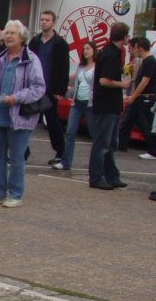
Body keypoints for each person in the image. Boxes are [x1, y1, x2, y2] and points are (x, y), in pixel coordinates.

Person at [0, 20, 46, 208]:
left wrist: (17, 98)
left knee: (17, 157)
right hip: (0, 114)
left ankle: (16, 194)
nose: (8, 36)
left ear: (22, 38)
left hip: (20, 116)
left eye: (13, 33)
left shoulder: (31, 60)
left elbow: (39, 88)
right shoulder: (0, 59)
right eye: (7, 32)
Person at [88, 21, 131, 191]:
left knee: (112, 143)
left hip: (112, 105)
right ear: (125, 37)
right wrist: (123, 84)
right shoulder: (111, 54)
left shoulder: (113, 52)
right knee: (102, 143)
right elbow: (104, 80)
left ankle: (112, 176)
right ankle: (96, 177)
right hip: (106, 105)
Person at [28, 10, 69, 166]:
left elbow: (64, 68)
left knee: (52, 122)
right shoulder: (34, 41)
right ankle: (23, 151)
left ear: (54, 22)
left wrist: (60, 90)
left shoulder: (60, 44)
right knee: (27, 120)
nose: (44, 22)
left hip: (50, 89)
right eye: (42, 19)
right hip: (34, 87)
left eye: (47, 20)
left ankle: (60, 152)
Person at [54, 40, 97, 172]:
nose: (85, 51)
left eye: (88, 48)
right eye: (84, 49)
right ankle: (66, 161)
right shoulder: (81, 66)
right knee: (70, 132)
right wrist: (62, 89)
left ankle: (96, 163)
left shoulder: (98, 67)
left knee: (95, 134)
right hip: (77, 102)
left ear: (94, 51)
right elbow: (73, 82)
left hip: (90, 104)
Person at [119, 37, 156, 158]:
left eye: (135, 48)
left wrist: (133, 96)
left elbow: (145, 81)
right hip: (139, 97)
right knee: (127, 121)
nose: (134, 50)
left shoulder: (150, 61)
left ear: (140, 48)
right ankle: (121, 144)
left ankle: (152, 151)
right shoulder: (146, 61)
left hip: (145, 98)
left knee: (146, 124)